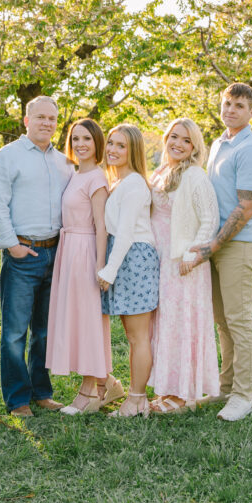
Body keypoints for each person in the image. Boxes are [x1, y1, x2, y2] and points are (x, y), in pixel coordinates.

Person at [0, 96, 74, 417]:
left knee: (45, 331)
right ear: (26, 120)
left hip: (56, 254)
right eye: (40, 117)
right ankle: (17, 399)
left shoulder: (64, 162)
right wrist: (11, 245)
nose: (47, 123)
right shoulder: (7, 158)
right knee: (13, 332)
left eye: (52, 118)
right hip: (23, 254)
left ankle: (41, 392)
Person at [187, 83, 252, 422]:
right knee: (223, 322)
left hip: (238, 245)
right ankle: (225, 388)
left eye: (239, 105)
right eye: (227, 103)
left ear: (251, 112)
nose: (231, 109)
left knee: (239, 321)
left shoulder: (249, 148)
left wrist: (214, 245)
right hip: (216, 244)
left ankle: (244, 396)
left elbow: (246, 207)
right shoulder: (221, 142)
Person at [46, 119, 125, 415]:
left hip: (86, 250)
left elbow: (101, 225)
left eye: (87, 139)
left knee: (89, 320)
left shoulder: (97, 178)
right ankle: (109, 383)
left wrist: (101, 265)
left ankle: (91, 389)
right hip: (68, 251)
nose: (80, 144)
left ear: (97, 144)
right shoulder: (74, 174)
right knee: (76, 319)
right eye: (75, 138)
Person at [148, 118, 220, 413]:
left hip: (182, 261)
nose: (178, 144)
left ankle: (181, 394)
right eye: (174, 137)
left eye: (186, 140)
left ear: (194, 147)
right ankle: (165, 387)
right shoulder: (161, 171)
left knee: (181, 323)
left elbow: (209, 220)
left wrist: (193, 256)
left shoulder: (195, 176)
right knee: (163, 323)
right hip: (160, 258)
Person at [97, 124, 159, 418]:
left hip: (133, 258)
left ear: (133, 150)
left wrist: (109, 270)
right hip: (124, 257)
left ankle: (136, 400)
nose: (112, 150)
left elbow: (124, 234)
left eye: (121, 146)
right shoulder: (118, 182)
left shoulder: (134, 184)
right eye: (111, 143)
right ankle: (136, 398)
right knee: (132, 335)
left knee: (137, 336)